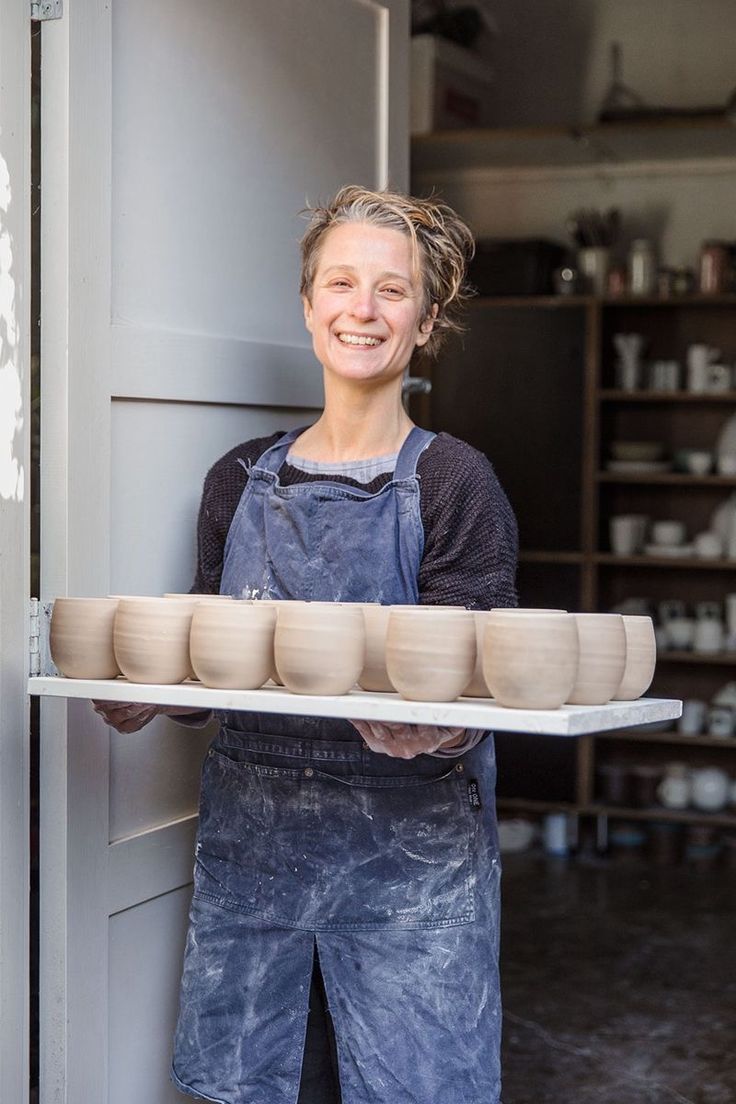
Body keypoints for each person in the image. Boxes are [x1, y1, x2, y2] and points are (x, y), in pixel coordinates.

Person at [94, 185, 518, 1104]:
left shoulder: (454, 483)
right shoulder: (236, 479)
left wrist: (437, 732)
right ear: (308, 304)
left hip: (410, 875)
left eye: (391, 290)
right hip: (256, 866)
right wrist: (151, 695)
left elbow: (488, 685)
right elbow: (212, 672)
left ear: (427, 318)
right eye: (341, 283)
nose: (361, 310)